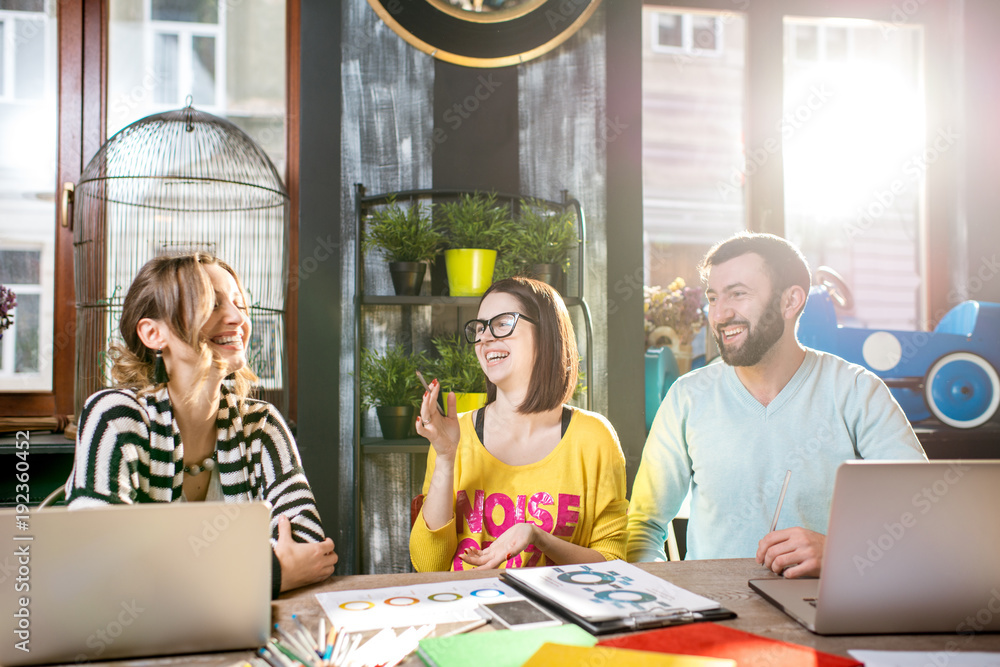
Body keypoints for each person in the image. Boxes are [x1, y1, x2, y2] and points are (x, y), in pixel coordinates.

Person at [627, 232, 927, 577]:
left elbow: (921, 513)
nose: (720, 314)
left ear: (790, 301)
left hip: (827, 611)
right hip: (716, 616)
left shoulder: (858, 391)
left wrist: (841, 552)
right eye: (713, 297)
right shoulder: (687, 397)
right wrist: (663, 599)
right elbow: (644, 527)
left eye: (738, 294)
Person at [66, 253, 338, 597]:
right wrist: (269, 573)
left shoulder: (261, 423)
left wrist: (159, 570)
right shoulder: (116, 418)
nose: (237, 318)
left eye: (240, 304)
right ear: (153, 333)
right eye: (211, 305)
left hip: (250, 630)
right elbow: (97, 564)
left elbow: (309, 548)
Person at [410, 276, 628, 571]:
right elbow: (429, 566)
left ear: (547, 334)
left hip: (557, 613)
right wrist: (446, 459)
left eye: (502, 323)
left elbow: (614, 563)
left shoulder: (594, 438)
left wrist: (538, 537)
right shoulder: (453, 436)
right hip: (470, 612)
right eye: (480, 327)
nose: (485, 338)